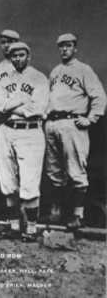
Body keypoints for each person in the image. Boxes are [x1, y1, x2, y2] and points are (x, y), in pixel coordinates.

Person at [45, 33, 106, 229]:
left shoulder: (83, 70)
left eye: (68, 46)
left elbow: (99, 97)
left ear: (75, 48)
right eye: (61, 46)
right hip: (53, 123)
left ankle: (77, 215)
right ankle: (57, 211)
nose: (64, 49)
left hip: (73, 123)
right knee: (54, 170)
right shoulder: (55, 71)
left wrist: (90, 118)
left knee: (76, 170)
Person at [0, 42, 49, 242]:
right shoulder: (5, 79)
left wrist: (10, 105)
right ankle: (14, 226)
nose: (17, 58)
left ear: (28, 56)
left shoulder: (39, 78)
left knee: (30, 181)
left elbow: (37, 109)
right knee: (7, 181)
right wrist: (21, 103)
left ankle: (31, 229)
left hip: (30, 131)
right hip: (6, 131)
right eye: (14, 55)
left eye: (21, 54)